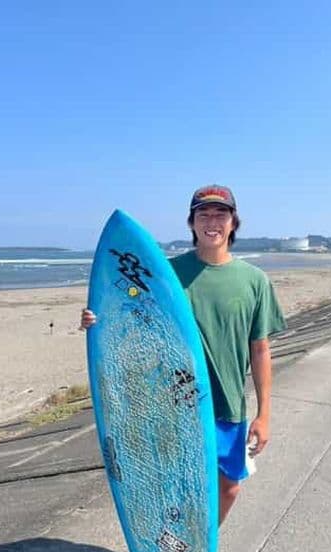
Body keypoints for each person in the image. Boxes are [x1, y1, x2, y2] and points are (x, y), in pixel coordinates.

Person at [80, 184, 287, 526]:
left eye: (221, 214)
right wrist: (96, 319)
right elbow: (129, 309)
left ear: (234, 223)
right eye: (203, 214)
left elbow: (260, 349)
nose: (212, 221)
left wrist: (264, 414)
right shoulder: (165, 275)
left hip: (227, 405)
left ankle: (198, 546)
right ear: (191, 223)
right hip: (173, 405)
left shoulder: (255, 281)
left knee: (229, 488)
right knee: (176, 486)